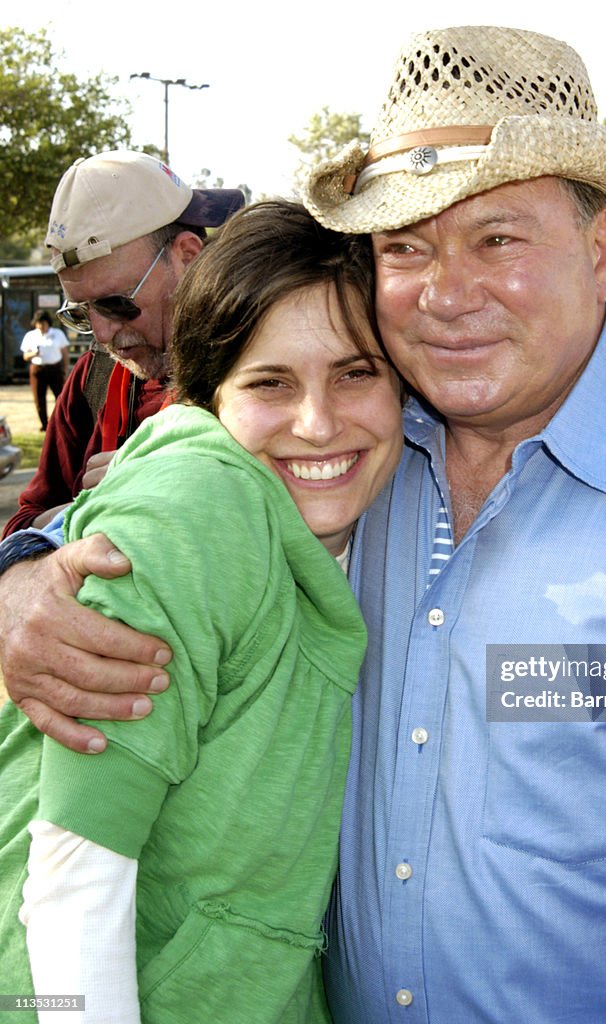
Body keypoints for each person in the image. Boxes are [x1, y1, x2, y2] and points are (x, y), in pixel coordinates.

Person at [1, 25, 606, 1023]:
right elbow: (161, 502)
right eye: (405, 246)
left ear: (601, 252)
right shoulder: (351, 453)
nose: (447, 293)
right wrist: (25, 572)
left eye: (498, 239)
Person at [0, 200, 404, 1023]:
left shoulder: (378, 504)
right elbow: (75, 884)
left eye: (357, 372)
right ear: (208, 395)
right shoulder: (201, 503)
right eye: (270, 383)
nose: (319, 422)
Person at [2, 150, 244, 538]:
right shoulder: (92, 378)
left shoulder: (258, 378)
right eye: (80, 312)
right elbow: (24, 521)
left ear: (186, 256)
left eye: (116, 303)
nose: (100, 334)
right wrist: (98, 506)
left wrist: (180, 486)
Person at [19, 312, 69, 432]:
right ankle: (44, 425)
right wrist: (34, 353)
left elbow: (65, 353)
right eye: (39, 323)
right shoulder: (30, 336)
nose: (41, 326)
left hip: (55, 369)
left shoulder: (57, 334)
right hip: (38, 369)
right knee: (39, 398)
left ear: (48, 323)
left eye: (44, 323)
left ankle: (60, 422)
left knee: (60, 397)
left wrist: (65, 369)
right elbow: (25, 356)